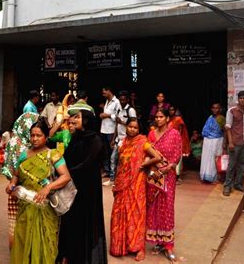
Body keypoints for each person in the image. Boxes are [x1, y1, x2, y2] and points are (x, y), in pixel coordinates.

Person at [6, 118, 71, 263]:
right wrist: (11, 184)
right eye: (32, 135)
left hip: (44, 207)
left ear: (46, 137)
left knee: (45, 242)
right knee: (23, 238)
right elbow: (16, 175)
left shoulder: (52, 154)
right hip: (25, 205)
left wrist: (47, 188)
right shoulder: (24, 154)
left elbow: (66, 176)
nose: (34, 139)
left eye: (39, 135)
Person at [58, 109, 108, 264]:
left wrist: (68, 173)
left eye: (78, 117)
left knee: (84, 222)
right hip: (72, 186)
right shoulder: (76, 137)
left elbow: (88, 163)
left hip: (87, 188)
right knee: (71, 220)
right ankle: (68, 255)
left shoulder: (95, 140)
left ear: (86, 120)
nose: (74, 120)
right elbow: (66, 158)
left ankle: (83, 258)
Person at [109, 118, 161, 261]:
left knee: (136, 215)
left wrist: (144, 164)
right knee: (120, 213)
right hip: (122, 184)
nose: (132, 129)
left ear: (139, 129)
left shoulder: (142, 142)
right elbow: (120, 164)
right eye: (130, 127)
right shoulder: (123, 143)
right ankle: (122, 246)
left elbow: (157, 157)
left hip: (136, 184)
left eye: (135, 128)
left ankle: (139, 248)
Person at [146, 108, 182, 263]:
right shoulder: (151, 134)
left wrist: (169, 167)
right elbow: (147, 153)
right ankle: (158, 241)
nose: (158, 119)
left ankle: (168, 245)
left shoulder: (174, 134)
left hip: (168, 175)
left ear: (167, 118)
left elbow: (178, 153)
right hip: (154, 174)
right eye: (156, 117)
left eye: (161, 117)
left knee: (167, 207)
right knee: (153, 206)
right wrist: (153, 169)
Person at [2, 111, 40, 249]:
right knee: (26, 223)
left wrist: (12, 182)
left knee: (14, 222)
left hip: (14, 189)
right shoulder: (26, 146)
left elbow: (7, 170)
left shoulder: (12, 141)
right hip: (26, 191)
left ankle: (15, 252)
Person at [223, 90, 244, 196]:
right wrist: (230, 142)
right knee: (232, 164)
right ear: (238, 99)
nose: (242, 100)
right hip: (235, 142)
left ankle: (237, 184)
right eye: (241, 98)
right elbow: (228, 128)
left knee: (242, 164)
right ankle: (227, 185)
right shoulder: (231, 111)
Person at [104, 90, 137, 186]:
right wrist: (114, 138)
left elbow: (134, 125)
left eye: (124, 100)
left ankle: (125, 180)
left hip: (127, 139)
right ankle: (112, 179)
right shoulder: (118, 109)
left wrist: (122, 122)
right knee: (113, 158)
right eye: (121, 99)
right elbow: (116, 125)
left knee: (125, 161)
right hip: (119, 139)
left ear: (127, 100)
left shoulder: (130, 110)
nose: (122, 101)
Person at [200, 103, 225, 184]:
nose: (215, 110)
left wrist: (225, 142)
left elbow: (225, 131)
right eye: (213, 108)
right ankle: (205, 176)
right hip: (207, 140)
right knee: (207, 158)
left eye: (217, 108)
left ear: (220, 109)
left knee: (215, 158)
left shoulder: (221, 118)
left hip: (217, 140)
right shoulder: (210, 117)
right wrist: (203, 140)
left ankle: (215, 177)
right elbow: (205, 130)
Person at [99, 86, 121, 178]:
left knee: (113, 153)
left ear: (109, 91)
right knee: (105, 152)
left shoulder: (117, 102)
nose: (103, 94)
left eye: (104, 92)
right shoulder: (107, 101)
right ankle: (107, 171)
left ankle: (114, 172)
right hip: (103, 130)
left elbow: (118, 117)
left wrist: (107, 115)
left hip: (111, 131)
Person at [168, 105, 190, 184]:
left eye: (172, 109)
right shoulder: (167, 119)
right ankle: (172, 176)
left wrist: (177, 140)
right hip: (169, 140)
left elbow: (180, 131)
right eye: (170, 110)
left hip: (177, 140)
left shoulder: (178, 119)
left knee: (179, 158)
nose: (171, 111)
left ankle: (179, 176)